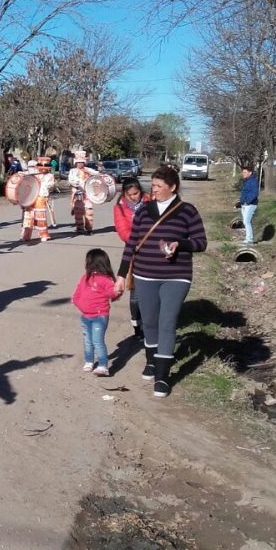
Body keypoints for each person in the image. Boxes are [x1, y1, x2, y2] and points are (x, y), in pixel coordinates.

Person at [114, 166, 207, 398]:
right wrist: (122, 274)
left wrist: (180, 244)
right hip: (145, 275)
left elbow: (200, 242)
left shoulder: (187, 211)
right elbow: (132, 244)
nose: (152, 190)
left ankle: (163, 377)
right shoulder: (144, 210)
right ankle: (152, 362)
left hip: (176, 276)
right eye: (152, 186)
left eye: (158, 186)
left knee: (167, 322)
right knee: (150, 321)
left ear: (172, 187)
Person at [72, 248, 123, 376]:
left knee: (97, 341)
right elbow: (78, 291)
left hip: (99, 316)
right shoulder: (85, 278)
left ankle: (103, 365)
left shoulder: (105, 279)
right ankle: (89, 361)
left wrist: (117, 290)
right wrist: (77, 301)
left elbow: (111, 293)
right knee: (87, 340)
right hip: (85, 316)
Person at [113, 177, 150, 339]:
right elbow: (123, 231)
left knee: (151, 291)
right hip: (134, 251)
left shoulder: (150, 201)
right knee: (135, 292)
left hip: (153, 250)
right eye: (130, 195)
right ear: (125, 194)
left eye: (137, 193)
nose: (134, 197)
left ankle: (150, 323)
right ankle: (137, 324)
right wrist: (139, 239)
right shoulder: (119, 209)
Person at [22, 156, 56, 242]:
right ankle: (26, 235)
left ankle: (43, 234)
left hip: (41, 196)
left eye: (45, 166)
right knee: (28, 216)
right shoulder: (33, 174)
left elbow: (50, 185)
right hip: (31, 196)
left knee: (40, 216)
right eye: (41, 166)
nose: (43, 168)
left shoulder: (50, 176)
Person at [68, 150, 99, 235]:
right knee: (78, 213)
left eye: (81, 162)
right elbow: (71, 180)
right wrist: (78, 182)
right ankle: (80, 228)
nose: (80, 164)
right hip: (77, 194)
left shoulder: (88, 170)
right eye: (78, 162)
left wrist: (91, 173)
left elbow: (97, 175)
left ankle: (89, 228)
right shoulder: (73, 171)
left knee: (89, 212)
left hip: (87, 194)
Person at [237, 164, 259, 245]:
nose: (243, 174)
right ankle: (248, 238)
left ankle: (249, 239)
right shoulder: (246, 181)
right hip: (244, 204)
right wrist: (241, 202)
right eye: (243, 172)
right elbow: (245, 192)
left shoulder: (253, 181)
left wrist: (247, 201)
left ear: (250, 173)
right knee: (246, 221)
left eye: (245, 172)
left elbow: (254, 193)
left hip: (251, 204)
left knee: (247, 221)